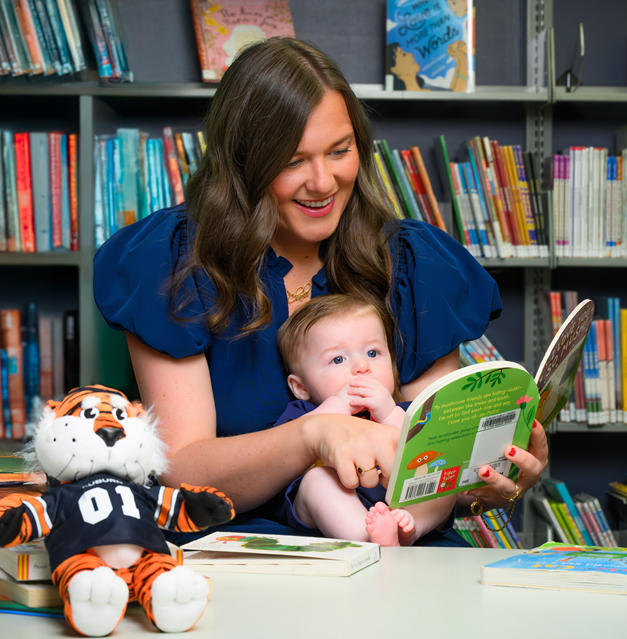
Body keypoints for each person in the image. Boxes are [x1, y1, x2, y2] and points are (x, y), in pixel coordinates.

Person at [93, 37, 547, 545]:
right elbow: (184, 470)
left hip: (393, 549)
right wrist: (313, 435)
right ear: (244, 165)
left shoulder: (408, 263)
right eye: (292, 161)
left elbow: (441, 460)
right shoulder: (176, 262)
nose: (323, 181)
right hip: (238, 550)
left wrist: (492, 476)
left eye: (339, 151)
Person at [274, 294, 456, 546]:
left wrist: (389, 414)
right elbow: (283, 452)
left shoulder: (402, 411)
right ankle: (365, 537)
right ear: (300, 386)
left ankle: (410, 528)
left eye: (373, 352)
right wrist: (335, 407)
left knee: (441, 480)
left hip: (398, 503)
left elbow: (431, 449)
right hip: (332, 508)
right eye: (338, 359)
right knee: (317, 482)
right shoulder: (302, 413)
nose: (361, 366)